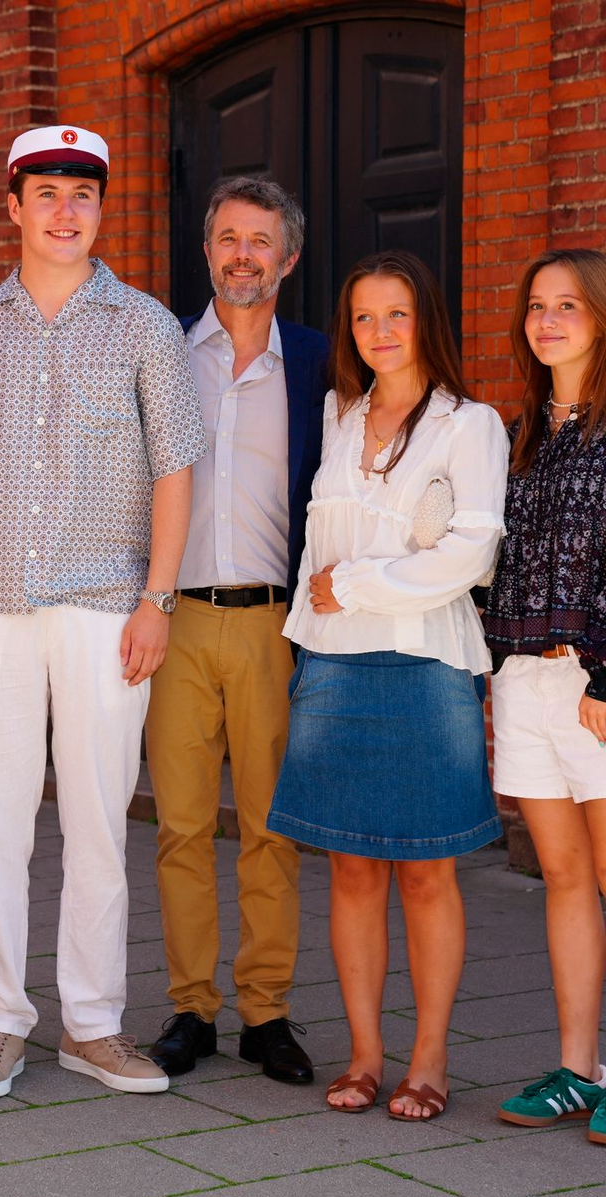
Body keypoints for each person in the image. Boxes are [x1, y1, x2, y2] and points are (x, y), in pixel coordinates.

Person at [0, 125, 209, 1099]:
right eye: (46, 192)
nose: (65, 211)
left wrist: (157, 600)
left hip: (108, 605)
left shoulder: (144, 326)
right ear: (12, 206)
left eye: (83, 195)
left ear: (102, 209)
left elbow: (177, 466)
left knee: (98, 820)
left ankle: (92, 1025)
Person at [266, 250, 508, 1121]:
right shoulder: (340, 414)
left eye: (396, 315)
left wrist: (357, 584)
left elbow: (470, 553)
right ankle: (366, 1053)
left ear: (426, 320)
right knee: (353, 870)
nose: (379, 332)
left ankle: (430, 1058)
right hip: (332, 667)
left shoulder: (468, 425)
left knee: (427, 875)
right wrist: (323, 614)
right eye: (364, 317)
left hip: (425, 667)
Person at [145, 177, 328, 1085]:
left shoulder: (322, 362)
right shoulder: (163, 352)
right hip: (175, 622)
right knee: (180, 824)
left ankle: (267, 1011)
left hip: (271, 625)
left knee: (270, 827)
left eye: (262, 240)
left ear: (287, 258)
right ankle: (191, 1008)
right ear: (206, 250)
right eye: (228, 238)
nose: (242, 254)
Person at [481, 249, 606, 1138]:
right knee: (564, 875)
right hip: (524, 675)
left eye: (569, 305)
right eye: (537, 305)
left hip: (595, 676)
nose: (549, 319)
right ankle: (577, 1068)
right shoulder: (523, 429)